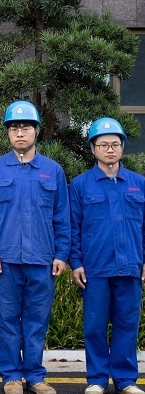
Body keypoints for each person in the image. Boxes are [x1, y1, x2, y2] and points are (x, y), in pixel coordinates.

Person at [0, 100, 70, 394]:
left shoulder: (53, 171)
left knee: (36, 321)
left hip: (42, 259)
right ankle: (11, 377)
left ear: (37, 131)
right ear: (8, 132)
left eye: (26, 127)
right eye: (14, 128)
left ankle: (34, 376)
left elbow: (62, 216)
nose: (20, 133)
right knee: (7, 321)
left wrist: (61, 254)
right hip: (6, 260)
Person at [68, 118, 145, 394]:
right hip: (95, 269)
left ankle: (125, 380)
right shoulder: (80, 185)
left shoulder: (139, 183)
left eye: (114, 144)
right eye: (103, 144)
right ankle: (97, 379)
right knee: (95, 326)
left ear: (122, 147)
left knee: (127, 324)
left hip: (130, 267)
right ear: (93, 149)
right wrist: (75, 262)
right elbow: (73, 227)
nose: (109, 149)